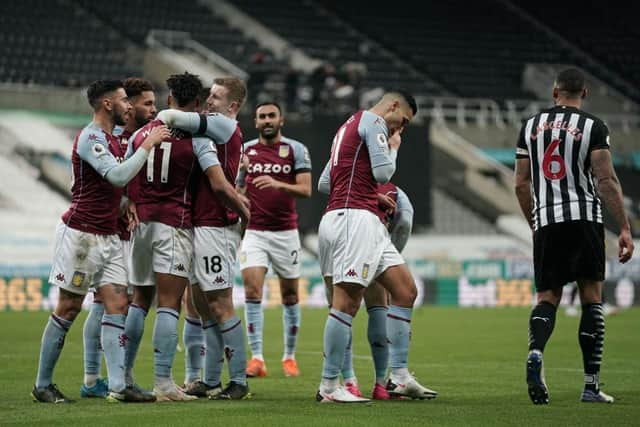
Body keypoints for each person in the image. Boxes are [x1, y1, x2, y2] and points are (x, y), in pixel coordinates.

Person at [32, 79, 169, 403]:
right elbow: (118, 176)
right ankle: (42, 384)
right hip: (82, 235)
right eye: (124, 100)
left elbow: (112, 188)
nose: (129, 106)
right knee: (69, 307)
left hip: (108, 235)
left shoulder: (114, 141)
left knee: (118, 304)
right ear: (107, 104)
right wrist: (149, 144)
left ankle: (120, 386)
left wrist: (125, 205)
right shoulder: (91, 137)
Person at [514, 67, 634, 405]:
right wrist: (624, 227)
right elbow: (606, 179)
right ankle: (590, 385)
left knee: (547, 298)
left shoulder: (530, 127)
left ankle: (536, 351)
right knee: (591, 299)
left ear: (554, 93)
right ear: (584, 94)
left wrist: (535, 222)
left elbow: (520, 183)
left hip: (549, 221)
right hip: (584, 219)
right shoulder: (594, 127)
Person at [129, 72, 250, 402]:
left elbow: (219, 184)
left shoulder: (222, 129)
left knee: (219, 303)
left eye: (218, 97)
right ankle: (210, 380)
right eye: (208, 96)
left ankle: (238, 380)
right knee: (199, 304)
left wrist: (245, 213)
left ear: (233, 105)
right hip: (192, 223)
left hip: (215, 224)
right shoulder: (202, 128)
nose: (210, 101)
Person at [315, 90, 436, 403]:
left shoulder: (347, 126)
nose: (400, 129)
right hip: (355, 221)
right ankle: (329, 387)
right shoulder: (375, 122)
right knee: (347, 302)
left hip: (353, 215)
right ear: (393, 105)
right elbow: (384, 172)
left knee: (406, 290)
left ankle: (398, 377)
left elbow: (325, 183)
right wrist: (392, 149)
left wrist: (368, 193)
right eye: (403, 121)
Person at [80, 77, 157, 399]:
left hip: (128, 226)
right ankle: (102, 377)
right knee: (109, 302)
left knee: (112, 303)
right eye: (146, 104)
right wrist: (126, 200)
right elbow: (113, 176)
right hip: (108, 229)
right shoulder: (115, 136)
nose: (153, 110)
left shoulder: (135, 135)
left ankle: (105, 378)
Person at [235, 102, 312, 378]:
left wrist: (278, 183)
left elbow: (306, 189)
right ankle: (257, 358)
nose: (267, 120)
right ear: (255, 122)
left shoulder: (296, 150)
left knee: (290, 295)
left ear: (281, 119)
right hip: (255, 232)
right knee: (252, 291)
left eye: (271, 115)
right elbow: (239, 188)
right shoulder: (247, 151)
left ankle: (289, 357)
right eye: (262, 116)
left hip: (286, 233)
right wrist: (239, 196)